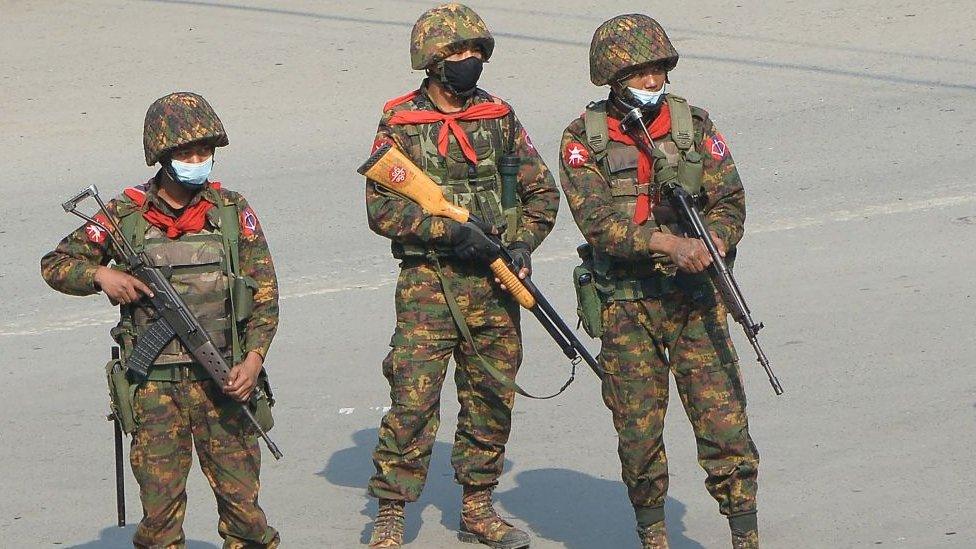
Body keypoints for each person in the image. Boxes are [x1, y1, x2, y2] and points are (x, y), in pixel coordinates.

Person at [41, 92, 281, 549]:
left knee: (246, 517)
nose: (198, 160)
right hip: (154, 391)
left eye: (204, 152)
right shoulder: (125, 216)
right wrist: (99, 274)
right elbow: (55, 263)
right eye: (187, 152)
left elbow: (265, 295)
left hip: (225, 383)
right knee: (160, 519)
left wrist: (252, 362)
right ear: (162, 156)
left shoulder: (231, 211)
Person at [558, 14, 761, 549]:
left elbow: (730, 199)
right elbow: (599, 222)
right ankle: (653, 534)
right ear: (612, 77)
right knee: (638, 431)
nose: (652, 83)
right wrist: (670, 244)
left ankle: (745, 531)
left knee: (724, 423)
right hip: (627, 306)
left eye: (657, 70)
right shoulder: (584, 138)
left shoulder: (693, 125)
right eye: (639, 72)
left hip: (695, 300)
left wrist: (714, 241)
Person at [363, 3, 559, 548]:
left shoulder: (499, 118)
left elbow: (543, 194)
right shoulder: (402, 122)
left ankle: (478, 507)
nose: (468, 61)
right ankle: (391, 512)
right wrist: (446, 232)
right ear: (430, 61)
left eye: (475, 52)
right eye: (455, 53)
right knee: (413, 400)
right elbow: (381, 209)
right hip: (429, 286)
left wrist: (519, 244)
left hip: (495, 284)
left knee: (491, 398)